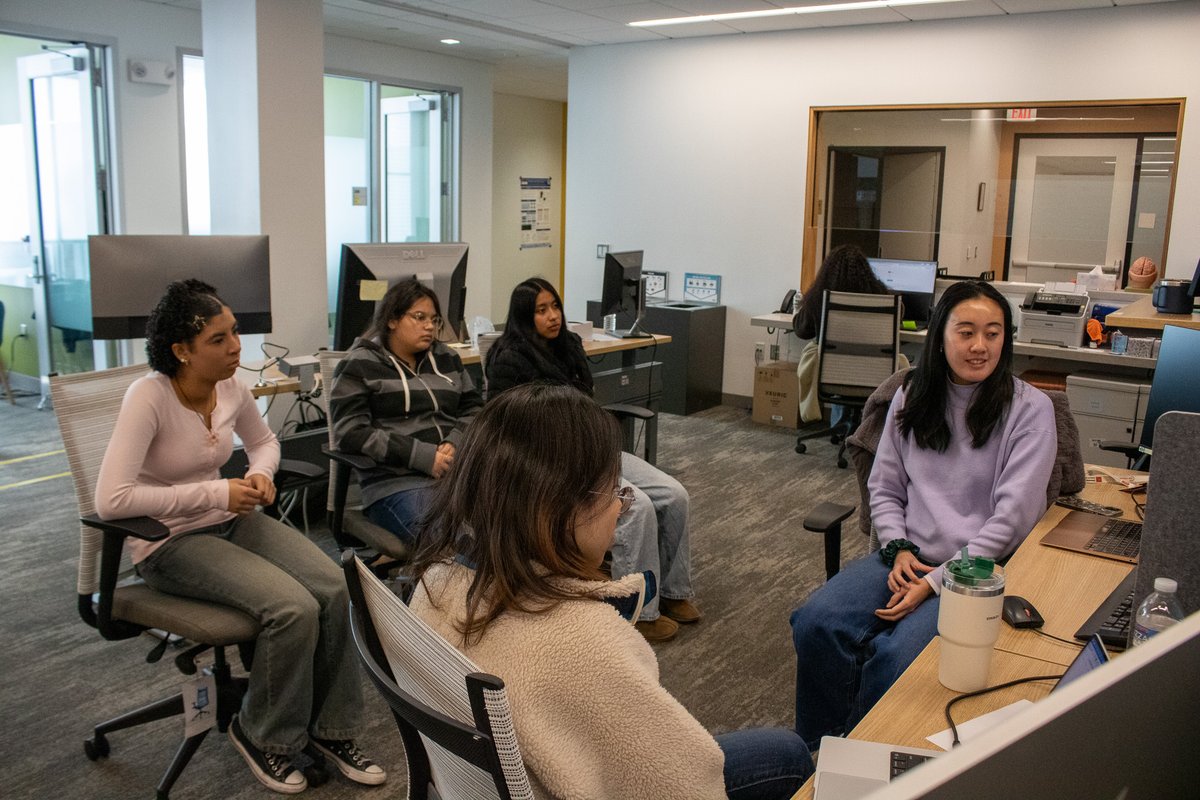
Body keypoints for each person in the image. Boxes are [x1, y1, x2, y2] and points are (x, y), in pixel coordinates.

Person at [409, 382, 814, 800]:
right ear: (561, 508)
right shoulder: (587, 642)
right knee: (786, 753)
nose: (621, 507)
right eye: (615, 493)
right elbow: (687, 786)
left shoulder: (433, 582)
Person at [95, 279, 384, 795]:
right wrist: (213, 494)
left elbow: (264, 442)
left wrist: (263, 475)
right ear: (181, 351)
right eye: (219, 339)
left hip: (230, 519)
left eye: (235, 333)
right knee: (292, 608)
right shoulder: (150, 397)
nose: (236, 348)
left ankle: (331, 730)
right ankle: (262, 735)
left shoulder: (230, 386)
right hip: (168, 542)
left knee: (336, 586)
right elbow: (111, 501)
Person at [789, 280, 1057, 750]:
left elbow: (1012, 519)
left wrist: (935, 583)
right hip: (906, 557)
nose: (980, 346)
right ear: (940, 335)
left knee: (897, 660)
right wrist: (898, 549)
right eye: (966, 331)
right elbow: (885, 487)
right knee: (815, 622)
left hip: (974, 572)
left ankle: (869, 757)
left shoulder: (1030, 409)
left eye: (993, 334)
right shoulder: (912, 394)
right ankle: (817, 755)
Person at [485, 277, 697, 642]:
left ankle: (674, 592)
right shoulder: (509, 360)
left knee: (674, 494)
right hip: (552, 461)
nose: (553, 316)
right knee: (637, 506)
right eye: (541, 310)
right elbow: (511, 428)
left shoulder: (569, 345)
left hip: (592, 449)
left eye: (555, 307)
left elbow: (586, 401)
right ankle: (636, 612)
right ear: (524, 315)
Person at [329, 278, 482, 547]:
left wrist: (454, 441)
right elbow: (351, 433)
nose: (429, 327)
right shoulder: (359, 364)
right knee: (457, 543)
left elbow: (474, 409)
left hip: (457, 475)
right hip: (396, 485)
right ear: (392, 320)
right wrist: (423, 456)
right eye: (419, 317)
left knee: (515, 525)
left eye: (434, 320)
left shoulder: (447, 359)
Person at [793, 244, 893, 426]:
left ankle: (840, 426)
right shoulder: (883, 298)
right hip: (873, 378)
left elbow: (802, 331)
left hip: (833, 378)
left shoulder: (819, 298)